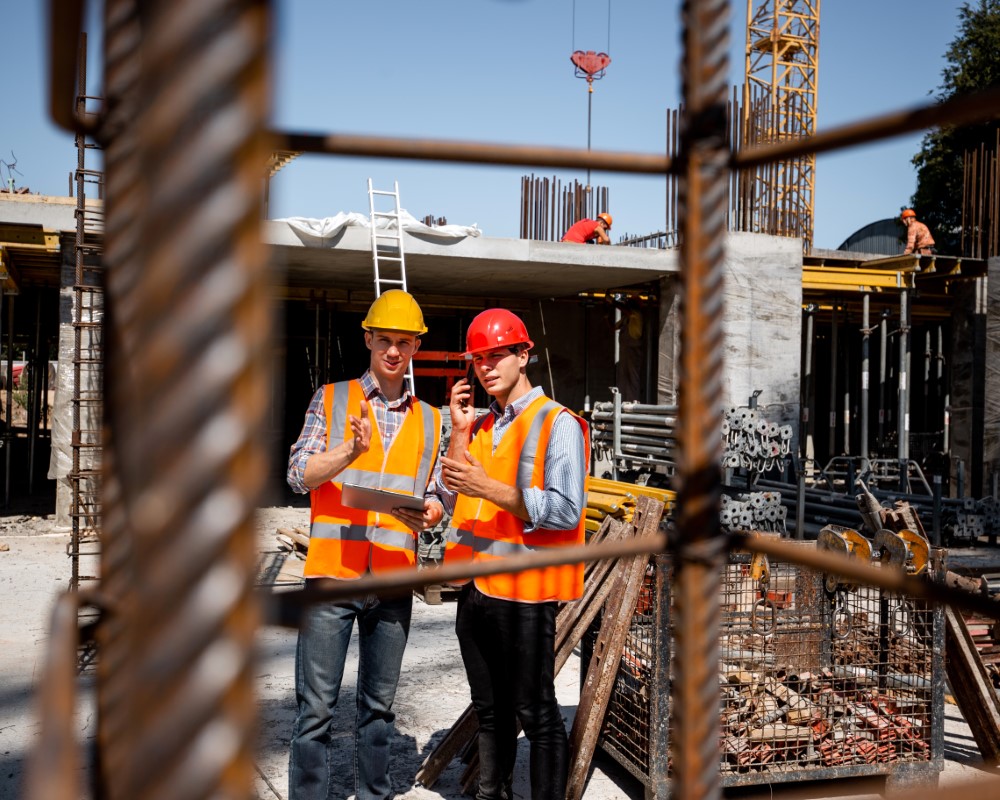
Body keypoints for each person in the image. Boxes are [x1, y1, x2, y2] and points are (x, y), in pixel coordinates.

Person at [286, 289, 445, 800]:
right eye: (384, 341)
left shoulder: (431, 419)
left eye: (403, 342)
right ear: (368, 341)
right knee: (316, 710)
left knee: (377, 711)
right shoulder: (331, 399)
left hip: (394, 580)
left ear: (416, 346)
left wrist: (436, 510)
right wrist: (348, 451)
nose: (393, 351)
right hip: (333, 575)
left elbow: (439, 491)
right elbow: (297, 475)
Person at [439, 308, 589, 800]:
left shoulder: (558, 423)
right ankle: (492, 794)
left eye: (497, 355)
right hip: (478, 588)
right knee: (491, 709)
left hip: (526, 594)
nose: (485, 367)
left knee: (536, 712)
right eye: (478, 359)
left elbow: (566, 511)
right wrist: (459, 433)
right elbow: (455, 491)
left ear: (525, 355)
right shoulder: (481, 427)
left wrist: (491, 486)